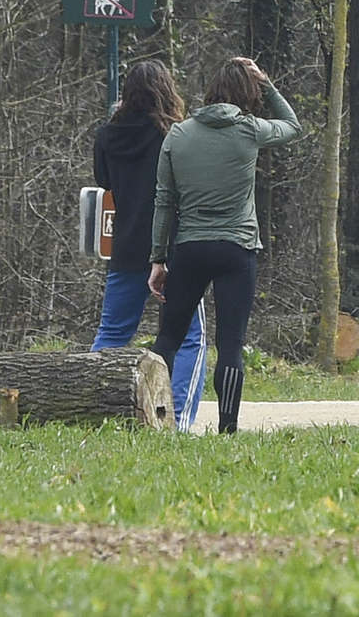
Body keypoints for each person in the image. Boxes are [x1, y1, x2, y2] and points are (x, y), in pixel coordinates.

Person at [148, 56, 301, 434]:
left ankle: (149, 414)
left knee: (169, 336)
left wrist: (158, 258)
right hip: (237, 248)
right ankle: (227, 428)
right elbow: (293, 126)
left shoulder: (178, 135)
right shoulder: (249, 130)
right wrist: (266, 83)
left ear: (211, 92)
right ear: (248, 95)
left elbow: (164, 201)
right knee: (230, 343)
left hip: (190, 248)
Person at [90, 60, 208, 432]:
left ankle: (93, 407)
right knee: (189, 335)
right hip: (174, 249)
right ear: (167, 91)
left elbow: (104, 182)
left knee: (112, 333)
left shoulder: (107, 136)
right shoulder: (176, 135)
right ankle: (177, 419)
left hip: (126, 247)